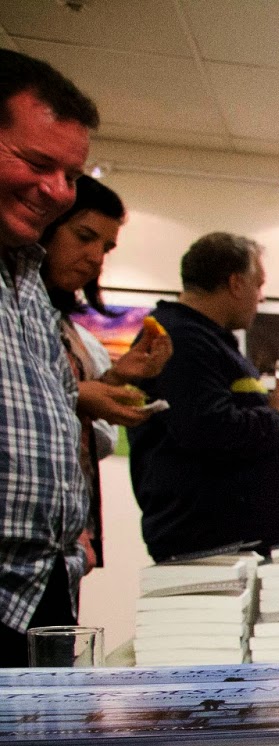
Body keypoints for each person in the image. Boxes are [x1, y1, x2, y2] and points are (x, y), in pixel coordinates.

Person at [0, 51, 98, 666]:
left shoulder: (27, 278)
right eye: (37, 164)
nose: (58, 191)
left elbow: (57, 406)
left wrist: (72, 531)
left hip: (42, 593)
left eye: (70, 174)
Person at [130, 232, 279, 561]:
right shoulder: (181, 338)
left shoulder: (204, 338)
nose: (261, 297)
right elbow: (208, 427)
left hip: (235, 549)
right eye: (259, 285)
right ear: (236, 283)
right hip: (210, 550)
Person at [41, 175, 174, 570]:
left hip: (61, 532)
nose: (96, 257)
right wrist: (83, 393)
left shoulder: (66, 327)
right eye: (84, 237)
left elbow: (74, 423)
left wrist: (116, 379)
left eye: (105, 247)